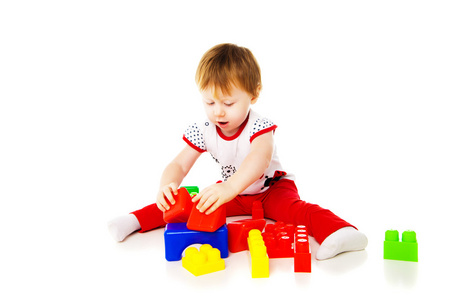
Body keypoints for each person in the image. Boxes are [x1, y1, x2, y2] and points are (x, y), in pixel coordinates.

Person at [108, 43, 368, 260]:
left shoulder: (260, 127)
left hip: (271, 189)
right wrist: (168, 184)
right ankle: (135, 220)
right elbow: (179, 164)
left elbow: (258, 160)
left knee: (298, 211)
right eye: (209, 102)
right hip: (234, 191)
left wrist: (229, 188)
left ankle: (342, 231)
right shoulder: (206, 129)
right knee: (186, 203)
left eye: (228, 103)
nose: (218, 111)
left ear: (253, 95)